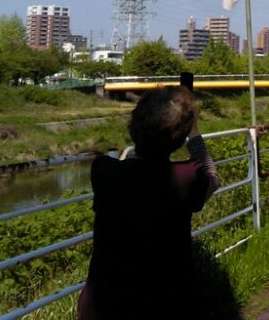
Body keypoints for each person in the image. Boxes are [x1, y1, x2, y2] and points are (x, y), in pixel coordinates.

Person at [79, 86, 220, 320]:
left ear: (134, 127)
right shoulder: (187, 177)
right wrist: (194, 134)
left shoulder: (104, 171)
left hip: (104, 305)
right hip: (165, 304)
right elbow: (212, 177)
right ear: (179, 137)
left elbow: (131, 165)